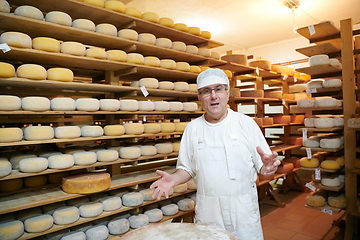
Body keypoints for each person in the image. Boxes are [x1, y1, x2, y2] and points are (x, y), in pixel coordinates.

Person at [150, 68, 280, 240]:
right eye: (206, 91)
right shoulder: (193, 129)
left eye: (218, 89)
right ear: (199, 98)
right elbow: (186, 169)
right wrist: (173, 179)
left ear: (227, 93)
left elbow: (263, 166)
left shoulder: (246, 124)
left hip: (242, 212)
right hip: (209, 213)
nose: (213, 96)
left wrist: (268, 168)